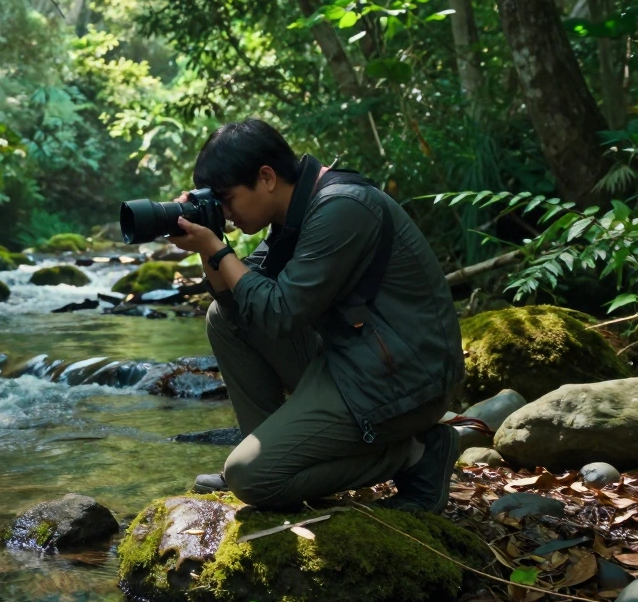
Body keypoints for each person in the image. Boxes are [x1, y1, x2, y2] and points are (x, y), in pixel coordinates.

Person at [166, 119, 464, 513]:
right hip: (356, 359)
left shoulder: (342, 207)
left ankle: (417, 454)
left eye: (227, 200)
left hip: (406, 380)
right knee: (222, 317)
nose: (225, 212)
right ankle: (274, 452)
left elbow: (281, 313)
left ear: (267, 178)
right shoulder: (296, 212)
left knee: (251, 479)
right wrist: (206, 246)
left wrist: (218, 250)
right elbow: (240, 306)